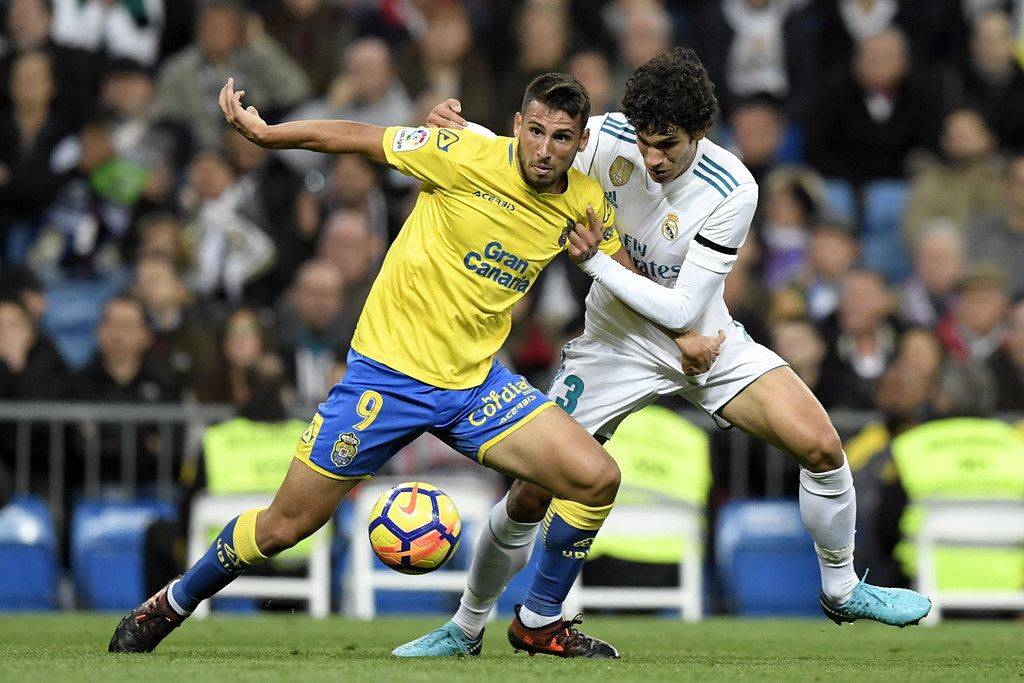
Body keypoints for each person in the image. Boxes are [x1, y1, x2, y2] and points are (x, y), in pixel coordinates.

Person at [109, 71, 692, 658]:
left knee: (596, 478)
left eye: (561, 138)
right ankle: (172, 603)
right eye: (535, 131)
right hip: (385, 379)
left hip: (475, 387)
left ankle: (540, 622)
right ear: (517, 125)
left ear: (580, 140)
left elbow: (631, 286)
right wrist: (269, 135)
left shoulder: (584, 200)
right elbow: (358, 136)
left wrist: (675, 324)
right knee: (284, 528)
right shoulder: (460, 153)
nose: (544, 149)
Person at [409, 47, 931, 658]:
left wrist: (596, 260)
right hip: (613, 345)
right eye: (644, 142)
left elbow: (684, 310)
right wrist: (459, 126)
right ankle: (467, 626)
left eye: (668, 146)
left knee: (820, 445)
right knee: (532, 491)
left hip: (707, 343)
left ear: (701, 134)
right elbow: (528, 149)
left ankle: (841, 590)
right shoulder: (605, 138)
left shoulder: (733, 187)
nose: (651, 158)